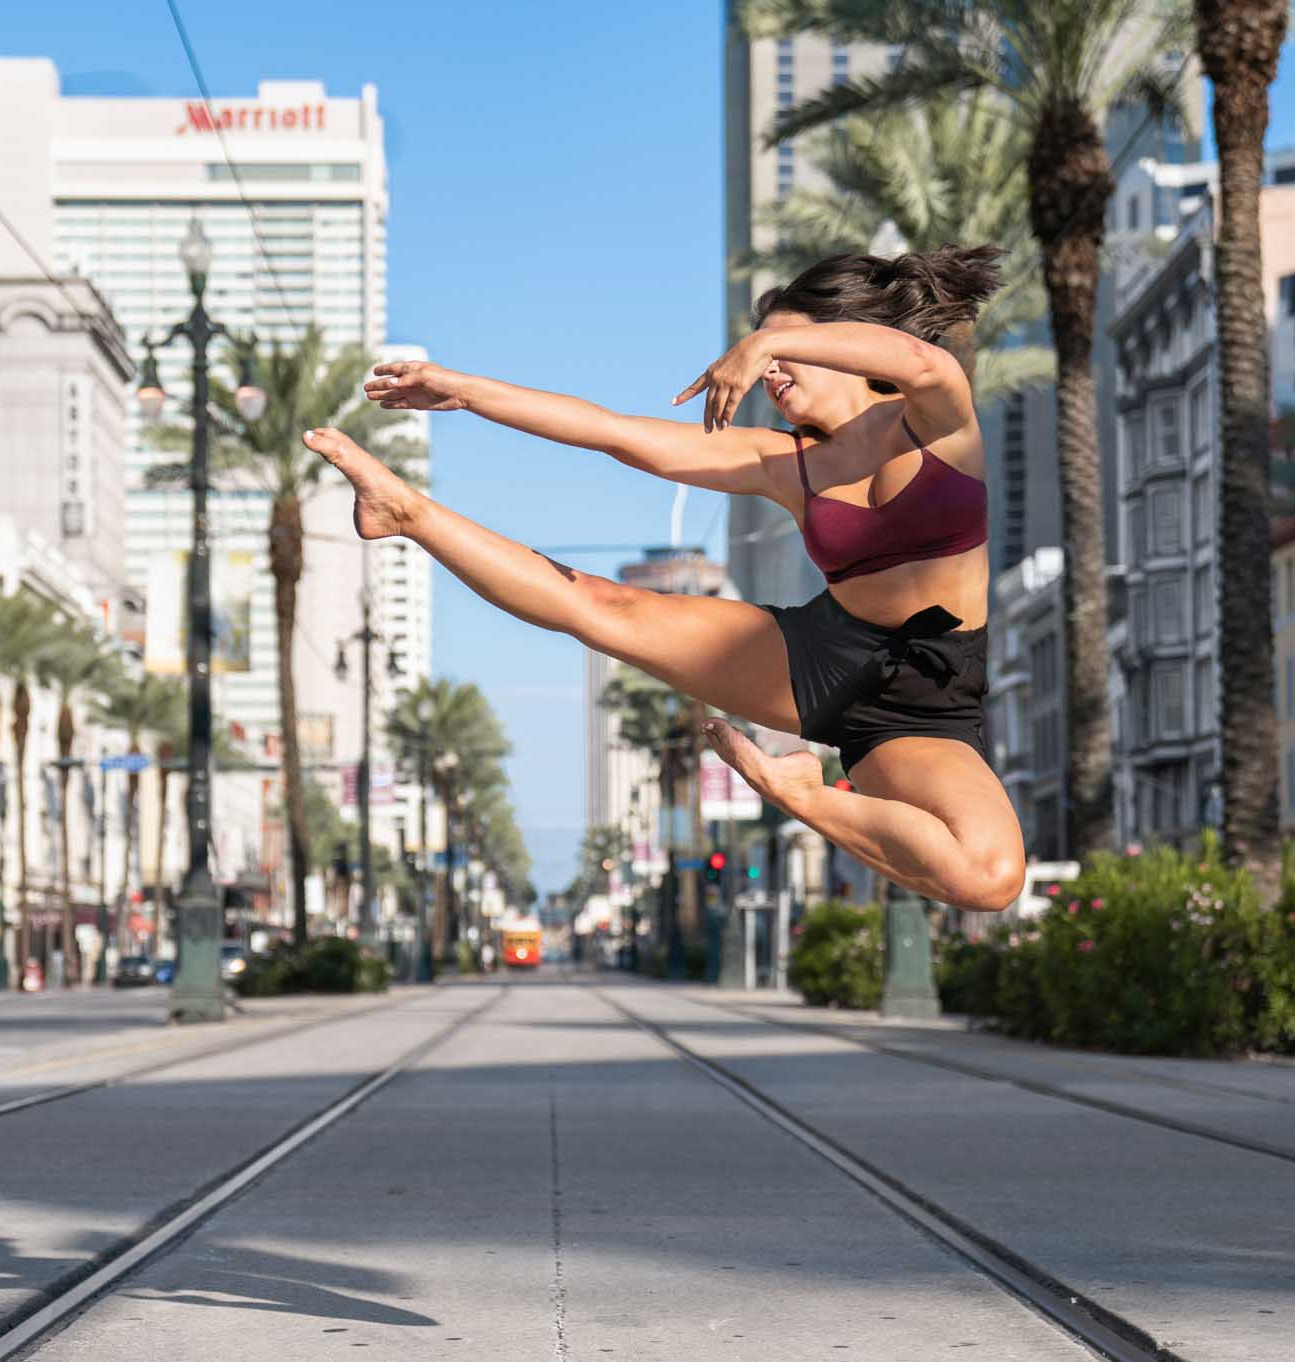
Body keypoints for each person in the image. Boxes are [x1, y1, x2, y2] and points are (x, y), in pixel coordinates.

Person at [301, 246, 1025, 913]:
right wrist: (464, 390)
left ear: (839, 343)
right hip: (819, 655)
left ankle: (800, 794)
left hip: (926, 699)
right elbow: (615, 433)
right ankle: (404, 512)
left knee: (987, 878)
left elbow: (915, 360)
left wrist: (766, 338)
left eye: (790, 351)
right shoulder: (784, 460)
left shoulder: (935, 419)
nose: (770, 372)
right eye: (768, 355)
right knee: (599, 608)